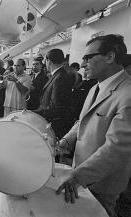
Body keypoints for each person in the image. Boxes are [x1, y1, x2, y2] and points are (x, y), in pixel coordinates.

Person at [55, 34, 131, 217]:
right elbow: (83, 121)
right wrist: (64, 142)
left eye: (88, 57)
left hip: (102, 184)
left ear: (110, 57)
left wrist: (78, 176)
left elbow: (117, 148)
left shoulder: (127, 95)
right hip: (81, 175)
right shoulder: (94, 88)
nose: (82, 64)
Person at [33, 48, 73, 139]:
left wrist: (33, 112)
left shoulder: (59, 78)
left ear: (48, 61)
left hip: (55, 127)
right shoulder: (58, 75)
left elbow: (55, 108)